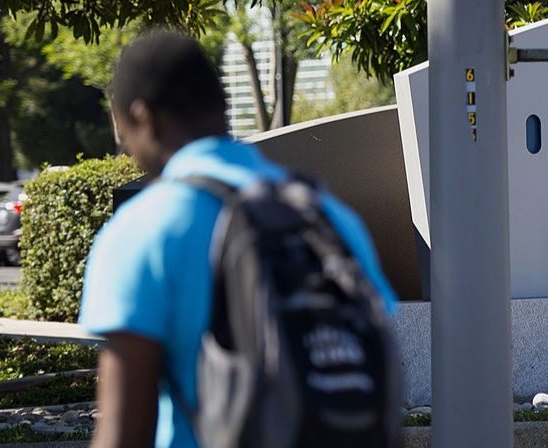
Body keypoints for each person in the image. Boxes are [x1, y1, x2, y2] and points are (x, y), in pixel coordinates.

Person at [79, 30, 397, 448]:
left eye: (121, 130)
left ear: (144, 118)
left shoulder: (144, 228)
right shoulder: (329, 215)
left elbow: (123, 433)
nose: (126, 147)